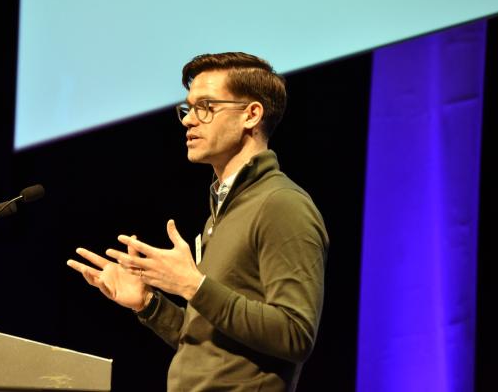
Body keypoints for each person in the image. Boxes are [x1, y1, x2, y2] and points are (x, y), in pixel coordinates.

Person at [67, 52, 329, 391]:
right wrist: (149, 303)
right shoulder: (222, 211)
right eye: (188, 108)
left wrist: (193, 285)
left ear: (251, 114)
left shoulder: (282, 205)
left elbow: (296, 334)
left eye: (206, 107)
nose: (189, 120)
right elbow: (211, 345)